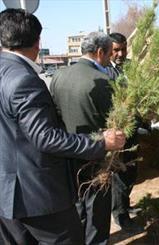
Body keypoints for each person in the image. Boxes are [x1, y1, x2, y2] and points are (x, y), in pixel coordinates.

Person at [0, 9, 125, 245]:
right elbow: (44, 137)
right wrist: (102, 143)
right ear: (38, 41)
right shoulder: (23, 79)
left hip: (6, 194)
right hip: (37, 196)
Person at [49, 31, 116, 245]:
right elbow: (114, 120)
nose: (110, 59)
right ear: (99, 52)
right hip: (96, 153)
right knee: (98, 207)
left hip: (67, 151)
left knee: (77, 205)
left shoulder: (59, 75)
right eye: (109, 54)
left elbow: (55, 112)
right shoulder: (102, 80)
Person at [107, 32, 143, 232]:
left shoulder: (130, 67)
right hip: (118, 131)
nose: (120, 54)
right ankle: (120, 214)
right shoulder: (106, 71)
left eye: (123, 49)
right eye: (116, 50)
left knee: (131, 171)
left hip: (133, 129)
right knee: (119, 174)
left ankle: (125, 204)